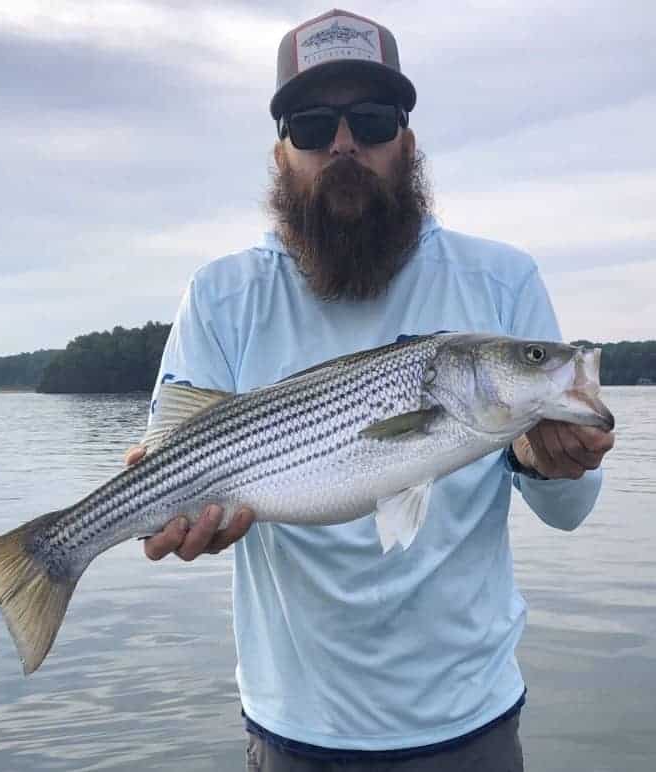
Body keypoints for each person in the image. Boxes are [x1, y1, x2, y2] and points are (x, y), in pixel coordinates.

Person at [126, 9, 615, 771]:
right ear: (281, 152)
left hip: (469, 719)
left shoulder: (501, 281)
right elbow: (163, 476)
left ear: (407, 141)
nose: (345, 144)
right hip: (293, 727)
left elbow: (572, 512)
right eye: (313, 124)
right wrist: (166, 507)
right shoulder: (221, 294)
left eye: (374, 119)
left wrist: (548, 460)